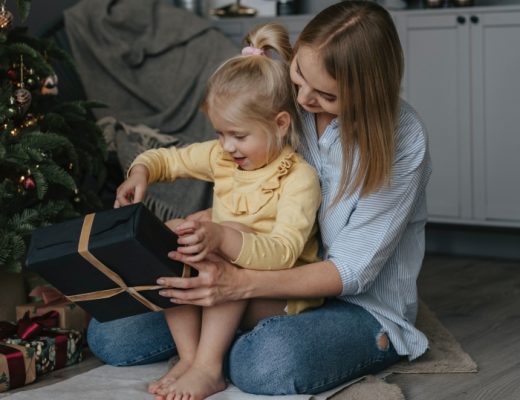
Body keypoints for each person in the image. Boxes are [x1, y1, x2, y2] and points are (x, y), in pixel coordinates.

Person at [87, 1, 432, 397]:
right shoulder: (282, 99)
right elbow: (223, 171)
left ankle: (214, 355)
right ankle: (211, 349)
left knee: (267, 361)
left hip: (356, 303)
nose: (302, 100)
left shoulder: (402, 140)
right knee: (112, 334)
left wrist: (236, 280)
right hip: (263, 275)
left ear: (367, 94)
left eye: (325, 96)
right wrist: (205, 230)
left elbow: (349, 272)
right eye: (299, 75)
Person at [114, 23, 323, 400]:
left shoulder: (299, 178)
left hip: (274, 292)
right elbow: (166, 159)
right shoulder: (221, 157)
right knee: (173, 237)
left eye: (239, 136)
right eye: (219, 134)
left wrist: (225, 235)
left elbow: (283, 251)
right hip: (220, 284)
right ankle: (192, 357)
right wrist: (141, 172)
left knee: (219, 254)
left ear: (279, 124)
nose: (227, 146)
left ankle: (209, 368)